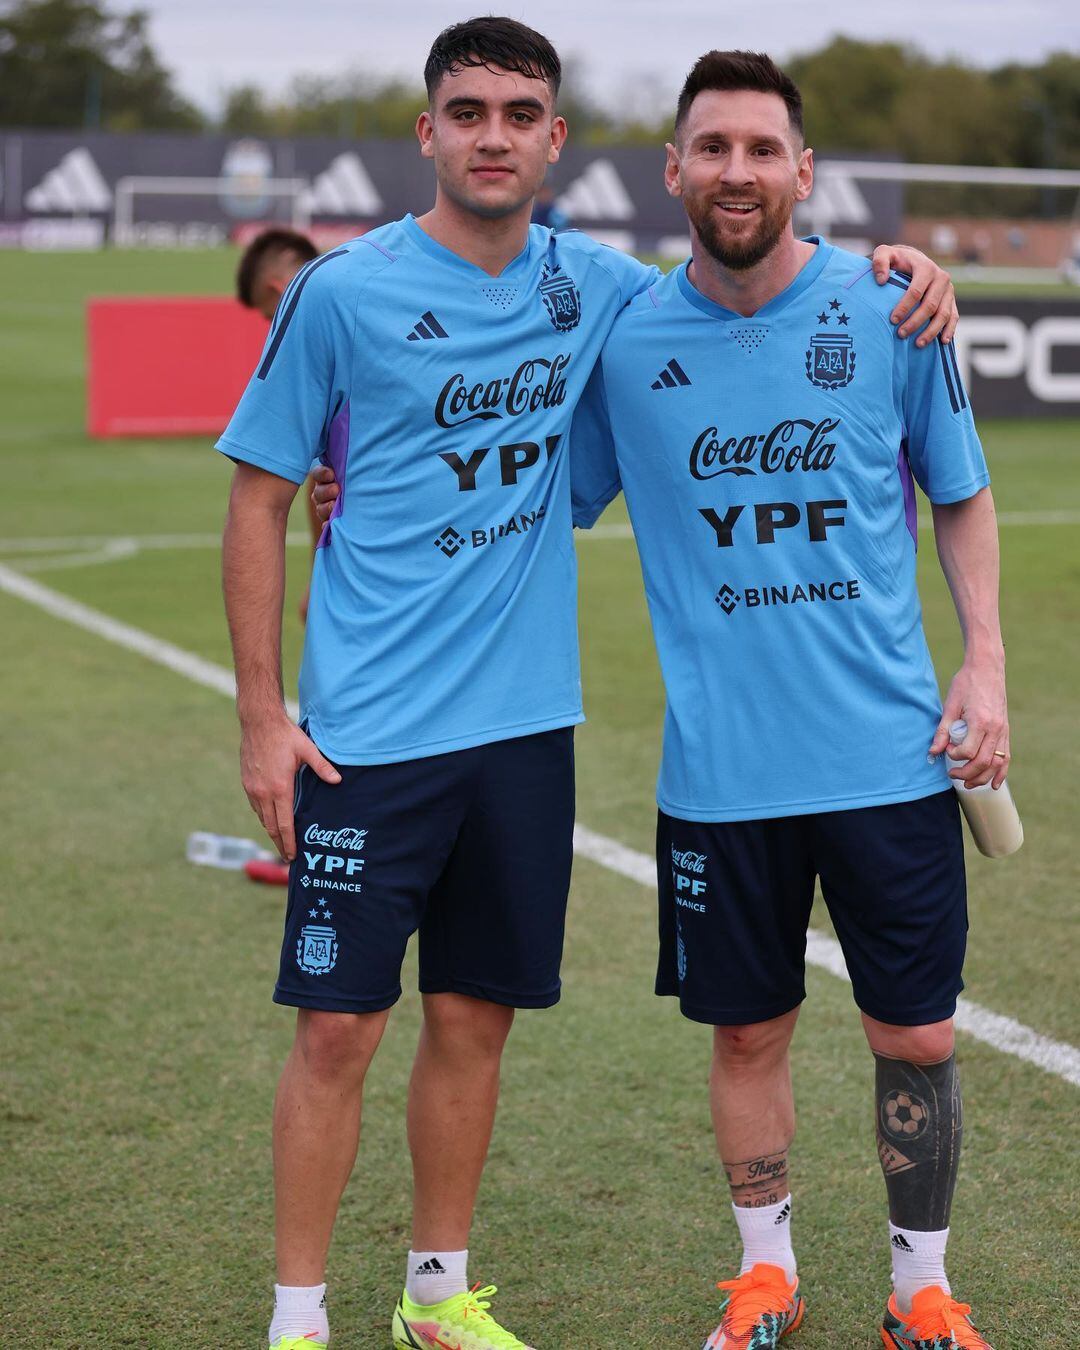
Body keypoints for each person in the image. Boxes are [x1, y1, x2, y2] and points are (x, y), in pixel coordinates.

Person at [221, 18, 956, 1350]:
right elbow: (259, 493)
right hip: (366, 737)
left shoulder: (604, 291)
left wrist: (906, 269)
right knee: (336, 1030)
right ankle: (295, 1318)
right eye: (466, 112)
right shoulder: (339, 292)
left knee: (472, 1019)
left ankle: (437, 1296)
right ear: (428, 132)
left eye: (518, 114)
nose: (491, 135)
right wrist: (263, 715)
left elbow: (744, 278)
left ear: (557, 141)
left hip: (524, 734)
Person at [568, 50, 1005, 1350]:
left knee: (916, 1028)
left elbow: (963, 490)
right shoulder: (627, 341)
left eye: (763, 148)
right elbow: (540, 495)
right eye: (714, 148)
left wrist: (981, 660)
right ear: (675, 172)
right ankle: (766, 1276)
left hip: (887, 756)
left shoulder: (891, 312)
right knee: (748, 1030)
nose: (738, 171)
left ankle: (919, 1284)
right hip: (720, 775)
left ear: (804, 170)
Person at [236, 228, 324, 624]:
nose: (273, 327)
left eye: (270, 315)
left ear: (279, 288)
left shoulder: (317, 338)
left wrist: (320, 580)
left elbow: (320, 470)